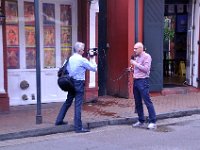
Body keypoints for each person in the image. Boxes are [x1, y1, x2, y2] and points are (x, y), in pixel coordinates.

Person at [55, 42, 97, 133]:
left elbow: (63, 68)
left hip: (70, 82)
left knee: (68, 102)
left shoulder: (69, 58)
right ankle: (78, 127)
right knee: (78, 105)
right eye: (82, 49)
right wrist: (92, 58)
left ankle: (59, 120)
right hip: (78, 83)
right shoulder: (82, 60)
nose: (83, 51)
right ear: (79, 50)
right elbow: (94, 68)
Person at [130, 42, 157, 129]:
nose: (134, 50)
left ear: (141, 48)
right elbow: (137, 69)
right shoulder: (137, 57)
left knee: (147, 101)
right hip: (136, 80)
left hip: (143, 81)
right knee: (138, 102)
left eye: (136, 48)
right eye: (134, 48)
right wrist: (131, 69)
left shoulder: (147, 56)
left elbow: (146, 69)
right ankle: (141, 120)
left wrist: (135, 64)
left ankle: (153, 121)